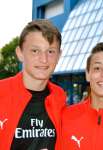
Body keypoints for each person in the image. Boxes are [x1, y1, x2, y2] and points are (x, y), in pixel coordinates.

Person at [0, 19, 66, 150]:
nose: (44, 59)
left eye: (51, 51)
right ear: (20, 53)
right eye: (35, 51)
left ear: (59, 56)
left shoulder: (59, 96)